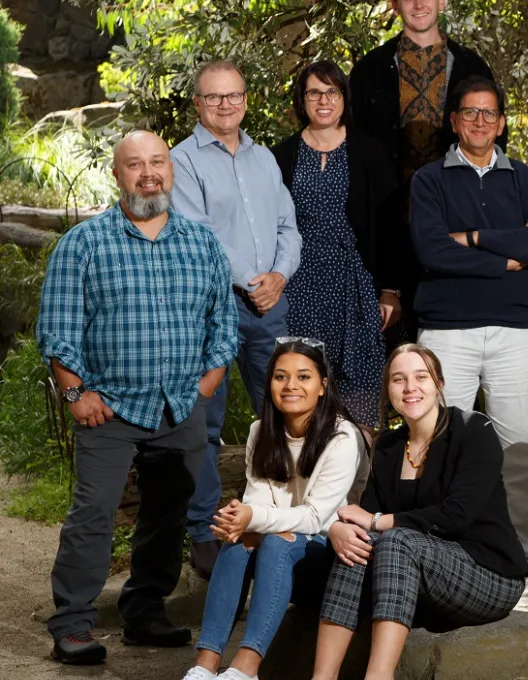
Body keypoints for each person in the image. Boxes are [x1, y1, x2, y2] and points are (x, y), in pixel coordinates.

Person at [36, 130, 237, 664]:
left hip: (180, 405)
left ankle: (145, 612)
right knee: (93, 514)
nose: (148, 173)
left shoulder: (202, 242)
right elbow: (57, 329)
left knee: (168, 513)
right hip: (109, 407)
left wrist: (211, 377)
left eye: (157, 163)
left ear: (171, 170)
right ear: (117, 175)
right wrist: (75, 392)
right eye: (134, 165)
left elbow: (223, 320)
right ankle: (73, 625)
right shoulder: (83, 244)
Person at [409, 75, 528, 568]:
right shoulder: (429, 179)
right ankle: (437, 545)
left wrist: (470, 239)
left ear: (501, 122)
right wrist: (506, 255)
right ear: (454, 121)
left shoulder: (526, 179)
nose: (479, 121)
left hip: (515, 331)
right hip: (447, 331)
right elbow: (431, 249)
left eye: (488, 113)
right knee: (437, 441)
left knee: (517, 447)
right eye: (469, 112)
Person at [310, 344, 527, 680]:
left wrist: (380, 522)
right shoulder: (389, 446)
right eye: (398, 380)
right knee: (357, 545)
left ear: (438, 383)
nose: (410, 387)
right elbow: (364, 516)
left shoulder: (473, 430)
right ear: (389, 391)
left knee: (395, 539)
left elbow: (456, 515)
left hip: (487, 574)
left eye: (420, 377)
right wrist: (339, 529)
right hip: (419, 579)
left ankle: (378, 677)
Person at [173, 59, 302, 580]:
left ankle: (282, 518)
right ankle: (205, 532)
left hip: (271, 306)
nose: (226, 104)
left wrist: (280, 275)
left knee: (288, 414)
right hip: (213, 308)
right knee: (203, 423)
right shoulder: (182, 160)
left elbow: (288, 226)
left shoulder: (263, 157)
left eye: (234, 95)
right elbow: (200, 237)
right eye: (214, 97)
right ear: (198, 104)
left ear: (246, 99)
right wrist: (257, 280)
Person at [182, 340, 367, 680]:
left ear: (323, 386)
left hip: (330, 557)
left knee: (277, 540)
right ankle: (204, 665)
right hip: (276, 550)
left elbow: (314, 518)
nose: (291, 385)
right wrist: (240, 518)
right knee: (240, 540)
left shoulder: (342, 437)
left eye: (303, 377)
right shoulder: (261, 431)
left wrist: (254, 517)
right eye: (280, 377)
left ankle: (246, 667)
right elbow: (259, 500)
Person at [349, 0, 499, 346]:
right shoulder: (369, 70)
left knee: (455, 346)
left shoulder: (472, 66)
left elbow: (493, 144)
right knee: (392, 348)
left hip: (457, 228)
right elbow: (354, 154)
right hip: (388, 231)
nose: (420, 4)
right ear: (393, 4)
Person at [272, 61, 394, 428]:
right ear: (301, 99)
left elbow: (389, 227)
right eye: (314, 92)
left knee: (359, 392)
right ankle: (303, 474)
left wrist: (389, 291)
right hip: (299, 283)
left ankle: (360, 479)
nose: (323, 100)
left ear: (344, 97)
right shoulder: (280, 156)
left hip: (354, 283)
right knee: (302, 385)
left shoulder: (370, 152)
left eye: (332, 92)